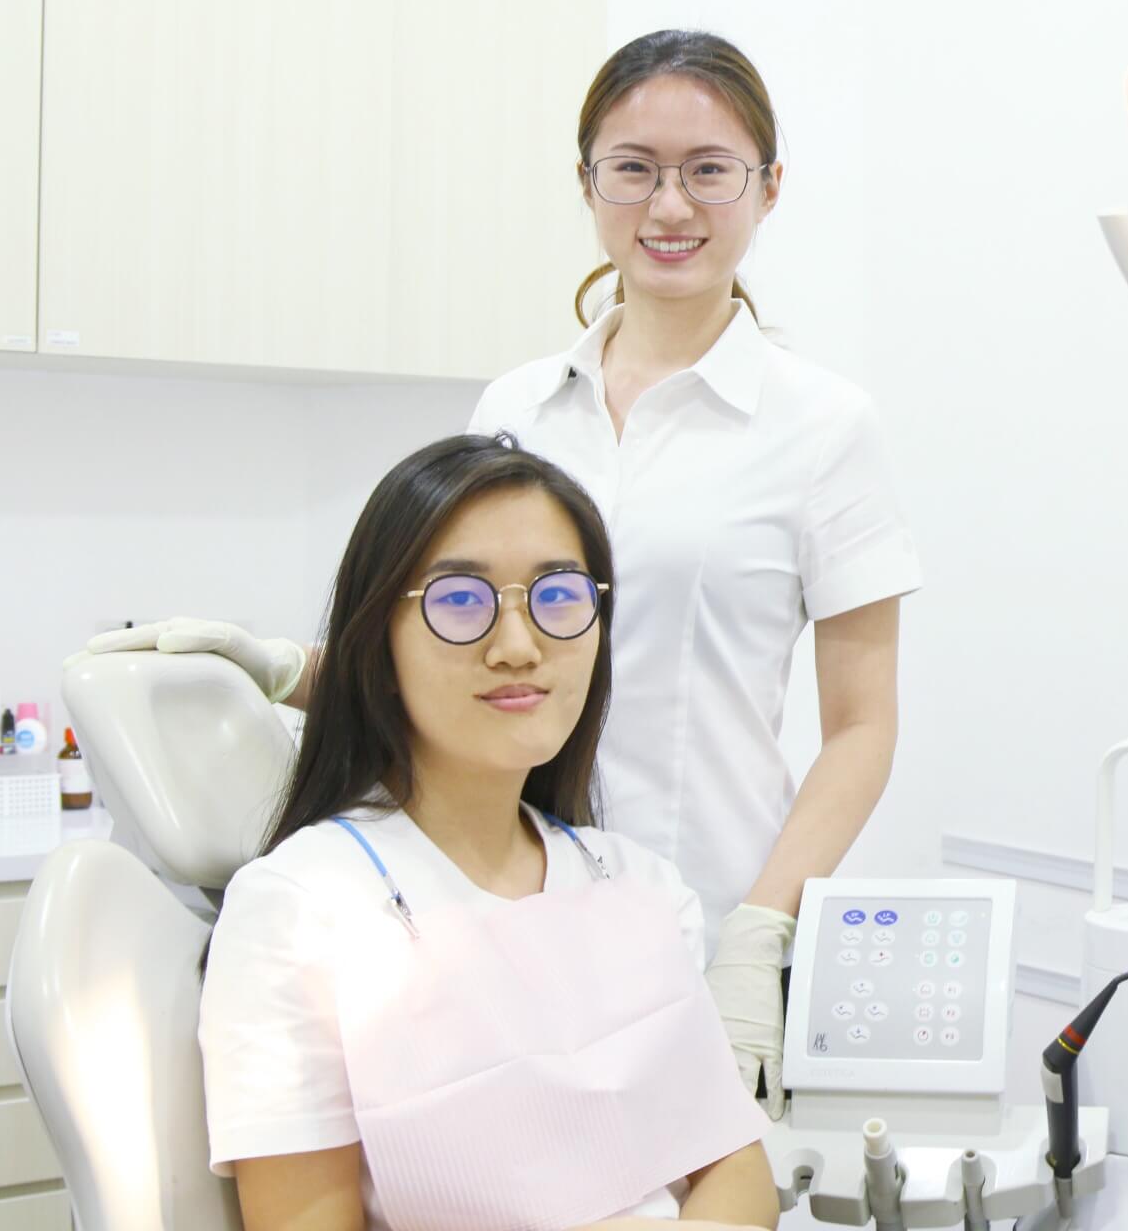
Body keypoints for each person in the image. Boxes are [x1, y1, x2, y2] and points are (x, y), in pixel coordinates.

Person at [80, 28, 922, 1118]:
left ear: (768, 188)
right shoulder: (518, 410)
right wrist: (286, 665)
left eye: (710, 169)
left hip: (710, 923)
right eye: (634, 168)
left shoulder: (822, 427)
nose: (671, 206)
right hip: (503, 918)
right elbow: (468, 651)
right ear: (587, 183)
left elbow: (863, 726)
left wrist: (762, 933)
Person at [199, 434, 778, 1230]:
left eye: (560, 596)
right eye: (460, 601)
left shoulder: (637, 886)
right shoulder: (299, 907)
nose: (517, 646)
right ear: (377, 641)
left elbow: (734, 1171)